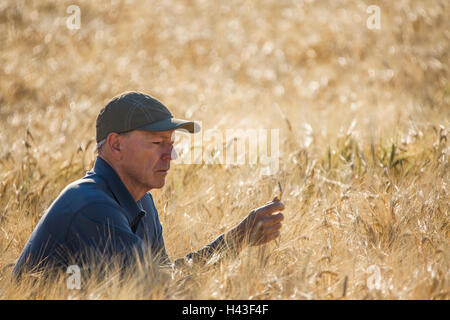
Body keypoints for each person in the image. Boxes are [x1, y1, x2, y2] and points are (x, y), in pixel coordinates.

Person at [12, 91, 285, 278]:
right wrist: (234, 241)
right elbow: (160, 289)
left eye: (171, 144)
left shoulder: (142, 200)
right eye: (157, 143)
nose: (171, 155)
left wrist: (236, 241)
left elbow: (162, 275)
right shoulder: (90, 205)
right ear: (116, 145)